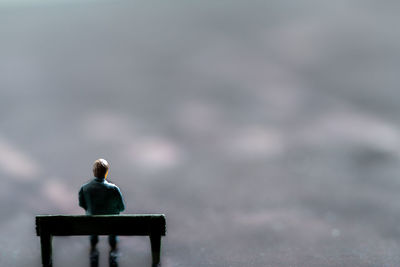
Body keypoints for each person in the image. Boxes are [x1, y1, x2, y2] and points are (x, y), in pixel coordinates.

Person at [79, 158, 125, 267]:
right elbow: (121, 208)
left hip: (92, 223)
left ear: (94, 172)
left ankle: (93, 250)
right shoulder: (114, 189)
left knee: (93, 224)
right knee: (113, 224)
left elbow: (82, 205)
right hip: (111, 224)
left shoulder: (84, 189)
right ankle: (113, 252)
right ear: (106, 172)